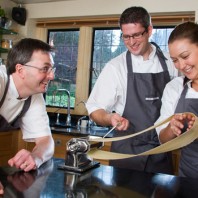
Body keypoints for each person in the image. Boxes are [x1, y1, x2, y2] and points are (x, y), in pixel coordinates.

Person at [86, 6, 178, 174]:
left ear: (149, 30)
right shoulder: (115, 67)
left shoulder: (171, 63)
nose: (131, 42)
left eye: (136, 35)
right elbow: (94, 109)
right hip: (126, 154)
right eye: (126, 37)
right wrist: (109, 118)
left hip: (160, 152)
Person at [0, 38, 55, 194]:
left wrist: (36, 156)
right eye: (45, 69)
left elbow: (46, 141)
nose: (51, 76)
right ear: (20, 70)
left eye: (51, 69)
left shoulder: (34, 96)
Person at [156, 21, 198, 178]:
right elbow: (163, 139)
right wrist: (172, 128)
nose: (180, 65)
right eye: (175, 60)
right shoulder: (175, 88)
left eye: (185, 56)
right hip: (188, 177)